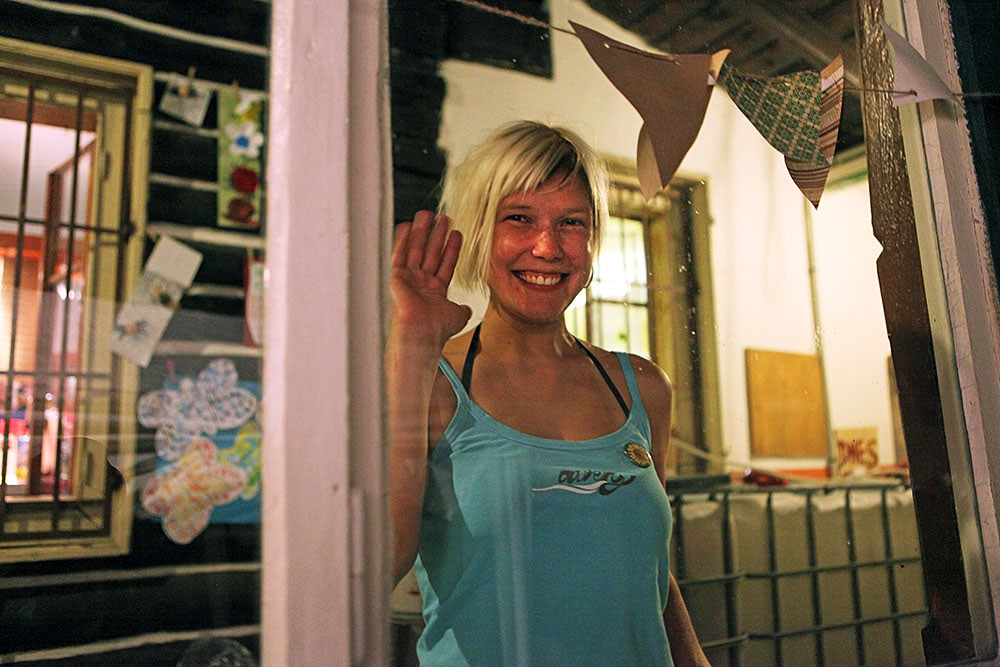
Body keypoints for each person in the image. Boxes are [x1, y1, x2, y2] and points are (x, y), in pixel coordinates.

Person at [387, 121, 708, 666]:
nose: (547, 247)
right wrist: (411, 343)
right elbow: (378, 563)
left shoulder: (642, 387)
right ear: (479, 230)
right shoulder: (430, 381)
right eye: (519, 218)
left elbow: (648, 570)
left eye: (571, 223)